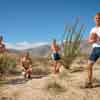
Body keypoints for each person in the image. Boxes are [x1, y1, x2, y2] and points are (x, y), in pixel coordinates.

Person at [85, 13, 100, 88]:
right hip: (95, 49)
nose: (97, 19)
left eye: (99, 18)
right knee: (89, 65)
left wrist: (97, 37)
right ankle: (89, 83)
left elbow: (97, 38)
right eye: (96, 18)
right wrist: (93, 40)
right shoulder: (92, 29)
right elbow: (89, 41)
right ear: (94, 19)